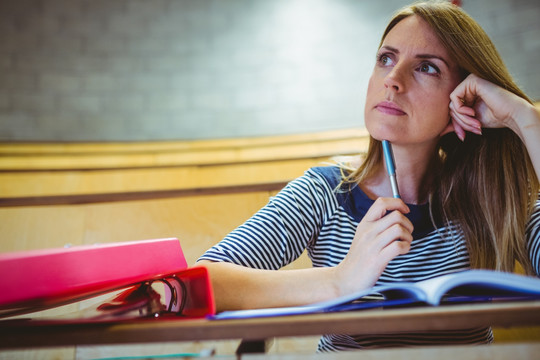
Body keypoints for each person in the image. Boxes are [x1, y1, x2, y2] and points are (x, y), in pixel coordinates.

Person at [197, 0, 540, 351]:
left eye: (426, 67)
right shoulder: (325, 192)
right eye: (385, 59)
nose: (392, 79)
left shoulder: (491, 193)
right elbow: (202, 281)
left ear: (464, 94)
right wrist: (339, 280)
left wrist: (524, 119)